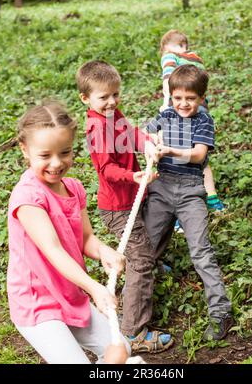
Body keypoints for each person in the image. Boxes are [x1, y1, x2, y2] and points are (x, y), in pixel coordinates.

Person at [7, 100, 130, 364]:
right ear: (25, 150)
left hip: (69, 293)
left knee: (121, 348)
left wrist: (104, 251)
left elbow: (86, 238)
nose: (56, 163)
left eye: (65, 152)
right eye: (45, 155)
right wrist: (94, 288)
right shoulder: (28, 197)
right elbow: (53, 250)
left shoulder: (73, 187)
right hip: (37, 302)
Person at [76, 60, 174, 353]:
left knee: (164, 213)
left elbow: (129, 131)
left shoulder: (112, 115)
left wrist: (145, 142)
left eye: (115, 94)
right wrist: (133, 175)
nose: (111, 102)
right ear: (86, 99)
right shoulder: (96, 129)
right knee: (139, 261)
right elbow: (106, 170)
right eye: (103, 97)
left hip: (135, 193)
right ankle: (133, 331)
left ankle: (149, 258)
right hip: (118, 207)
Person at [144, 65, 234, 341]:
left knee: (201, 252)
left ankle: (221, 311)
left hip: (190, 190)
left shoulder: (203, 120)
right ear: (170, 96)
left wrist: (170, 150)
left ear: (202, 97)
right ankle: (136, 311)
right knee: (145, 247)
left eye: (190, 99)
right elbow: (146, 134)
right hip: (161, 186)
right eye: (177, 98)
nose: (183, 104)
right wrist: (151, 143)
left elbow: (198, 155)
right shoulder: (165, 114)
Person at [160, 29, 225, 213]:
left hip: (181, 114)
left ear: (164, 48)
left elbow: (167, 78)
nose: (182, 49)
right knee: (202, 159)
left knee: (182, 162)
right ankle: (212, 199)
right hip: (199, 108)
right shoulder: (195, 60)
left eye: (183, 46)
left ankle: (182, 208)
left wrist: (167, 102)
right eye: (180, 45)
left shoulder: (169, 57)